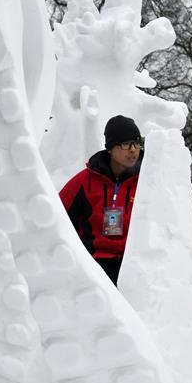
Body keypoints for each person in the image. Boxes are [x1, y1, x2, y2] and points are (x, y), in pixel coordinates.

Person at [59, 115, 144, 286]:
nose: (133, 150)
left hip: (135, 267)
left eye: (137, 143)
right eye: (126, 144)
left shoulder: (147, 181)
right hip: (93, 268)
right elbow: (57, 220)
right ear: (111, 148)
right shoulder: (84, 182)